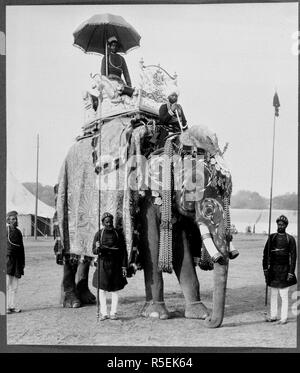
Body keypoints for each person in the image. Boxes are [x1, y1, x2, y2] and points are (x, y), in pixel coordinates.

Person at [92, 212, 128, 321]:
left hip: (116, 264)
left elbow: (123, 251)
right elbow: (93, 251)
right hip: (103, 263)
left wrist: (124, 266)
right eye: (106, 222)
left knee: (115, 290)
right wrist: (97, 248)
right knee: (102, 290)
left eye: (110, 221)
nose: (109, 224)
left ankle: (113, 313)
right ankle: (103, 313)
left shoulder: (118, 234)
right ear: (103, 223)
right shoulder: (99, 234)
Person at [262, 215, 297, 325]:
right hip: (273, 269)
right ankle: (273, 316)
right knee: (273, 294)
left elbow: (293, 256)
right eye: (278, 224)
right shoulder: (272, 237)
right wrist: (265, 269)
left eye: (282, 224)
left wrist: (291, 272)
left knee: (284, 294)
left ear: (286, 226)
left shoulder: (290, 239)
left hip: (285, 269)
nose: (280, 226)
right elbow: (265, 254)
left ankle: (284, 318)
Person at [6, 210, 25, 314]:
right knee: (6, 285)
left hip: (17, 261)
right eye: (11, 219)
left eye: (15, 219)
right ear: (8, 220)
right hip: (7, 260)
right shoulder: (5, 230)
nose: (13, 220)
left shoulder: (18, 232)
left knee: (14, 286)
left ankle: (12, 306)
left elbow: (21, 248)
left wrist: (22, 262)